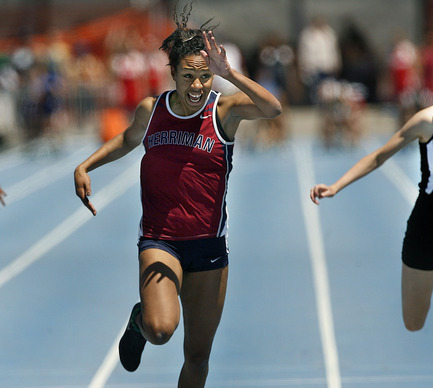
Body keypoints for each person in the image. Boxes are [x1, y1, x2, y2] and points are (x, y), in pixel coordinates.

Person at [73, 5, 281, 387]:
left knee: (198, 358)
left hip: (208, 246)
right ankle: (139, 321)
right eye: (189, 76)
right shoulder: (151, 111)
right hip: (160, 240)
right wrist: (85, 166)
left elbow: (273, 108)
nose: (198, 86)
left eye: (204, 77)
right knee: (160, 328)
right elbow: (125, 140)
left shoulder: (224, 112)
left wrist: (229, 74)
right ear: (173, 74)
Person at [310, 45, 433, 388]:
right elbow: (380, 156)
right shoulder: (428, 121)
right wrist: (337, 186)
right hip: (425, 231)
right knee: (414, 321)